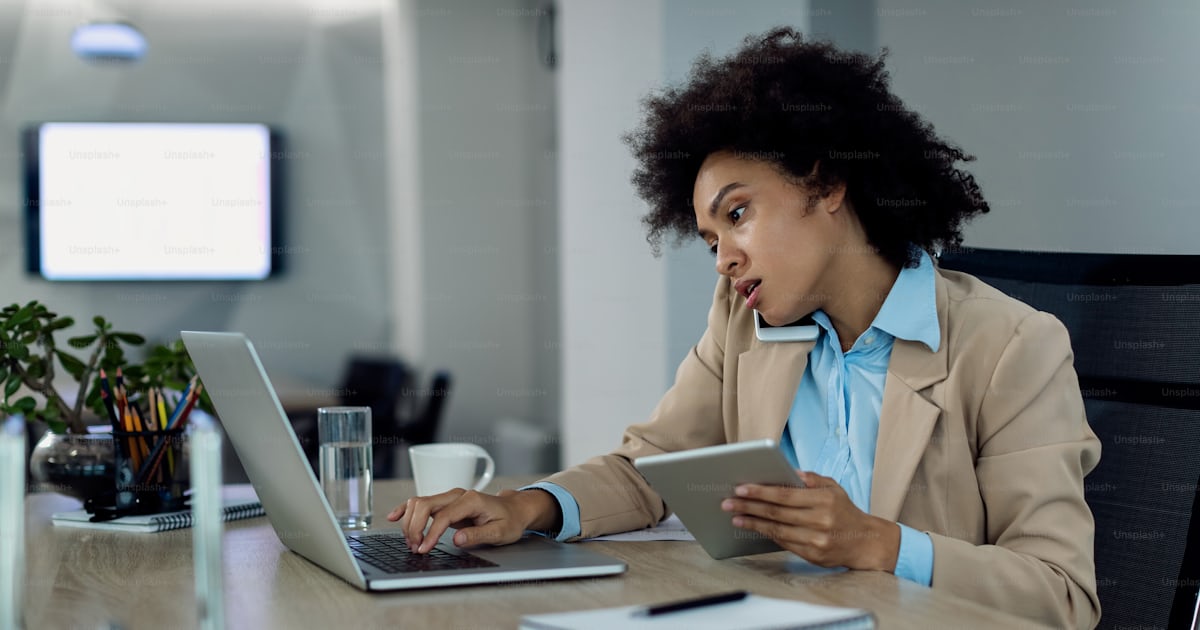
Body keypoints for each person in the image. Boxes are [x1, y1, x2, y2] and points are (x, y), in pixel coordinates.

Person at [389, 28, 1101, 629]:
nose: (724, 258)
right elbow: (653, 467)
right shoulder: (745, 321)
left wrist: (877, 543)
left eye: (737, 215)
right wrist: (525, 507)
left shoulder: (1011, 348)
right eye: (709, 239)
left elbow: (1062, 595)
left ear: (826, 184)